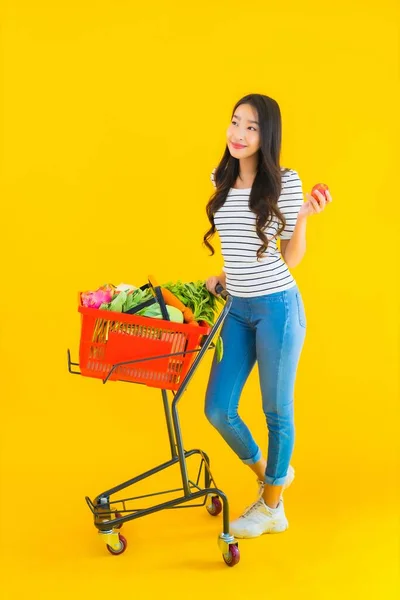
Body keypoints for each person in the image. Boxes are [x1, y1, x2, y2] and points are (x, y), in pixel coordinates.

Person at [203, 93, 332, 538]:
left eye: (252, 127)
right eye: (235, 122)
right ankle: (270, 475)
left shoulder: (286, 182)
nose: (239, 134)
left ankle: (271, 508)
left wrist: (302, 220)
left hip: (278, 306)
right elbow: (239, 243)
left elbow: (290, 258)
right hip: (237, 309)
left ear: (267, 135)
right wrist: (222, 274)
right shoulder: (221, 177)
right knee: (218, 409)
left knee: (276, 409)